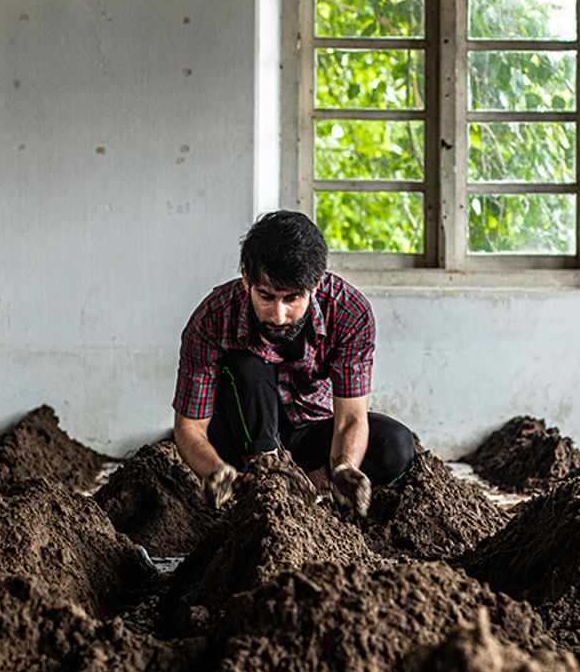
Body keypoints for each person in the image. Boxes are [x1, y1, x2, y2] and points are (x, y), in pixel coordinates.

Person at [172, 210, 416, 517]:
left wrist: (343, 467)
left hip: (314, 430)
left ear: (315, 284)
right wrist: (215, 471)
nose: (278, 315)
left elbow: (351, 417)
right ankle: (265, 480)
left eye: (291, 298)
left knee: (396, 445)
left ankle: (310, 486)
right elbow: (189, 426)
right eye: (265, 296)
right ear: (247, 280)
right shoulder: (212, 319)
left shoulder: (350, 311)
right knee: (246, 366)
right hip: (240, 435)